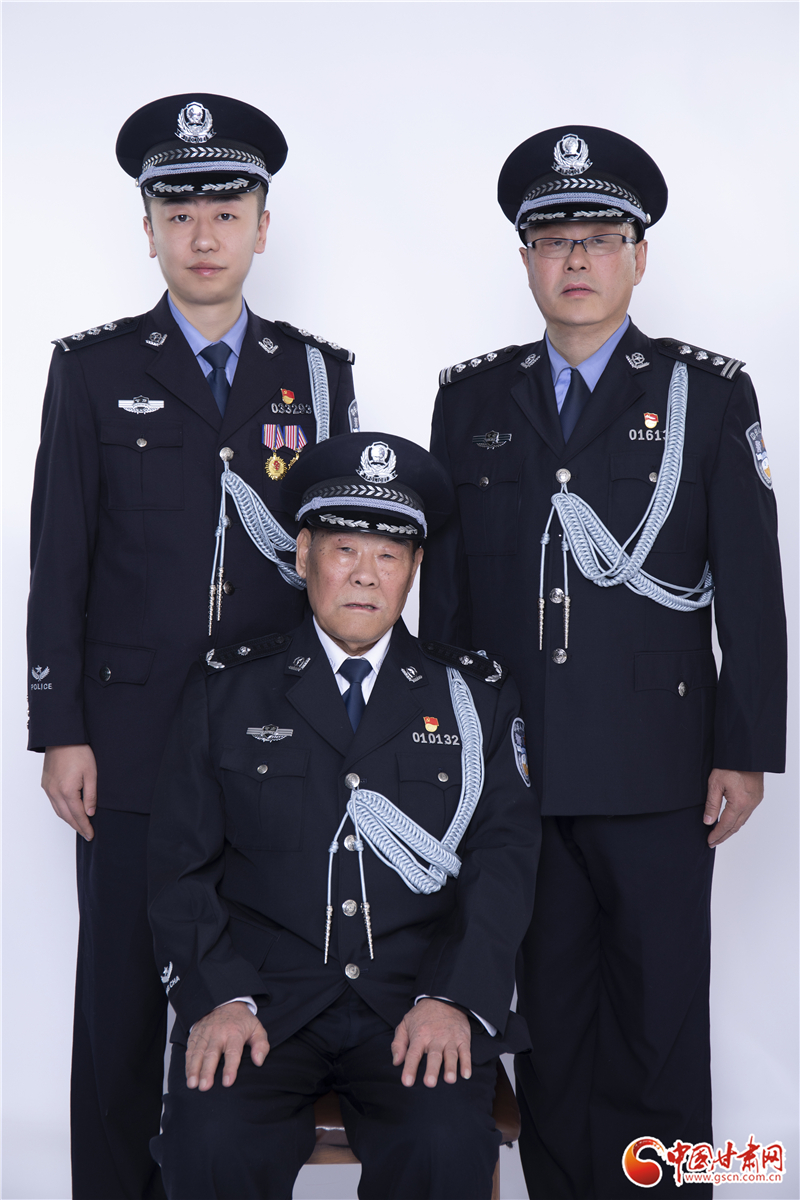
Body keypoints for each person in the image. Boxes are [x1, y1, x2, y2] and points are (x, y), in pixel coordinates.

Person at [419, 125, 786, 1198]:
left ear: (638, 257)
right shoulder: (471, 401)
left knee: (658, 1025)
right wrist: (441, 758)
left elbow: (750, 586)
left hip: (657, 770)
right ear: (525, 259)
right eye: (552, 240)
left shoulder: (705, 393)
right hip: (517, 774)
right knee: (547, 1026)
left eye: (599, 238)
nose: (575, 259)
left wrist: (745, 748)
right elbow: (447, 603)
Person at [26, 92, 357, 1199]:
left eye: (225, 212)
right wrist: (59, 728)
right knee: (121, 1000)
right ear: (149, 230)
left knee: (248, 988)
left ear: (263, 226)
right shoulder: (91, 370)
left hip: (272, 742)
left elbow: (341, 566)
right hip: (125, 738)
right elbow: (59, 559)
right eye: (180, 214)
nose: (203, 235)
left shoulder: (316, 377)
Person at [146, 431, 540, 1199]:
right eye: (345, 550)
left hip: (412, 998)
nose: (365, 574)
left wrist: (454, 997)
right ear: (303, 557)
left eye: (389, 555)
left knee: (443, 1145)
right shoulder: (226, 688)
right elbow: (178, 865)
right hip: (262, 1000)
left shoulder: (476, 697)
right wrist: (217, 996)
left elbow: (504, 863)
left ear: (414, 568)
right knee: (210, 1142)